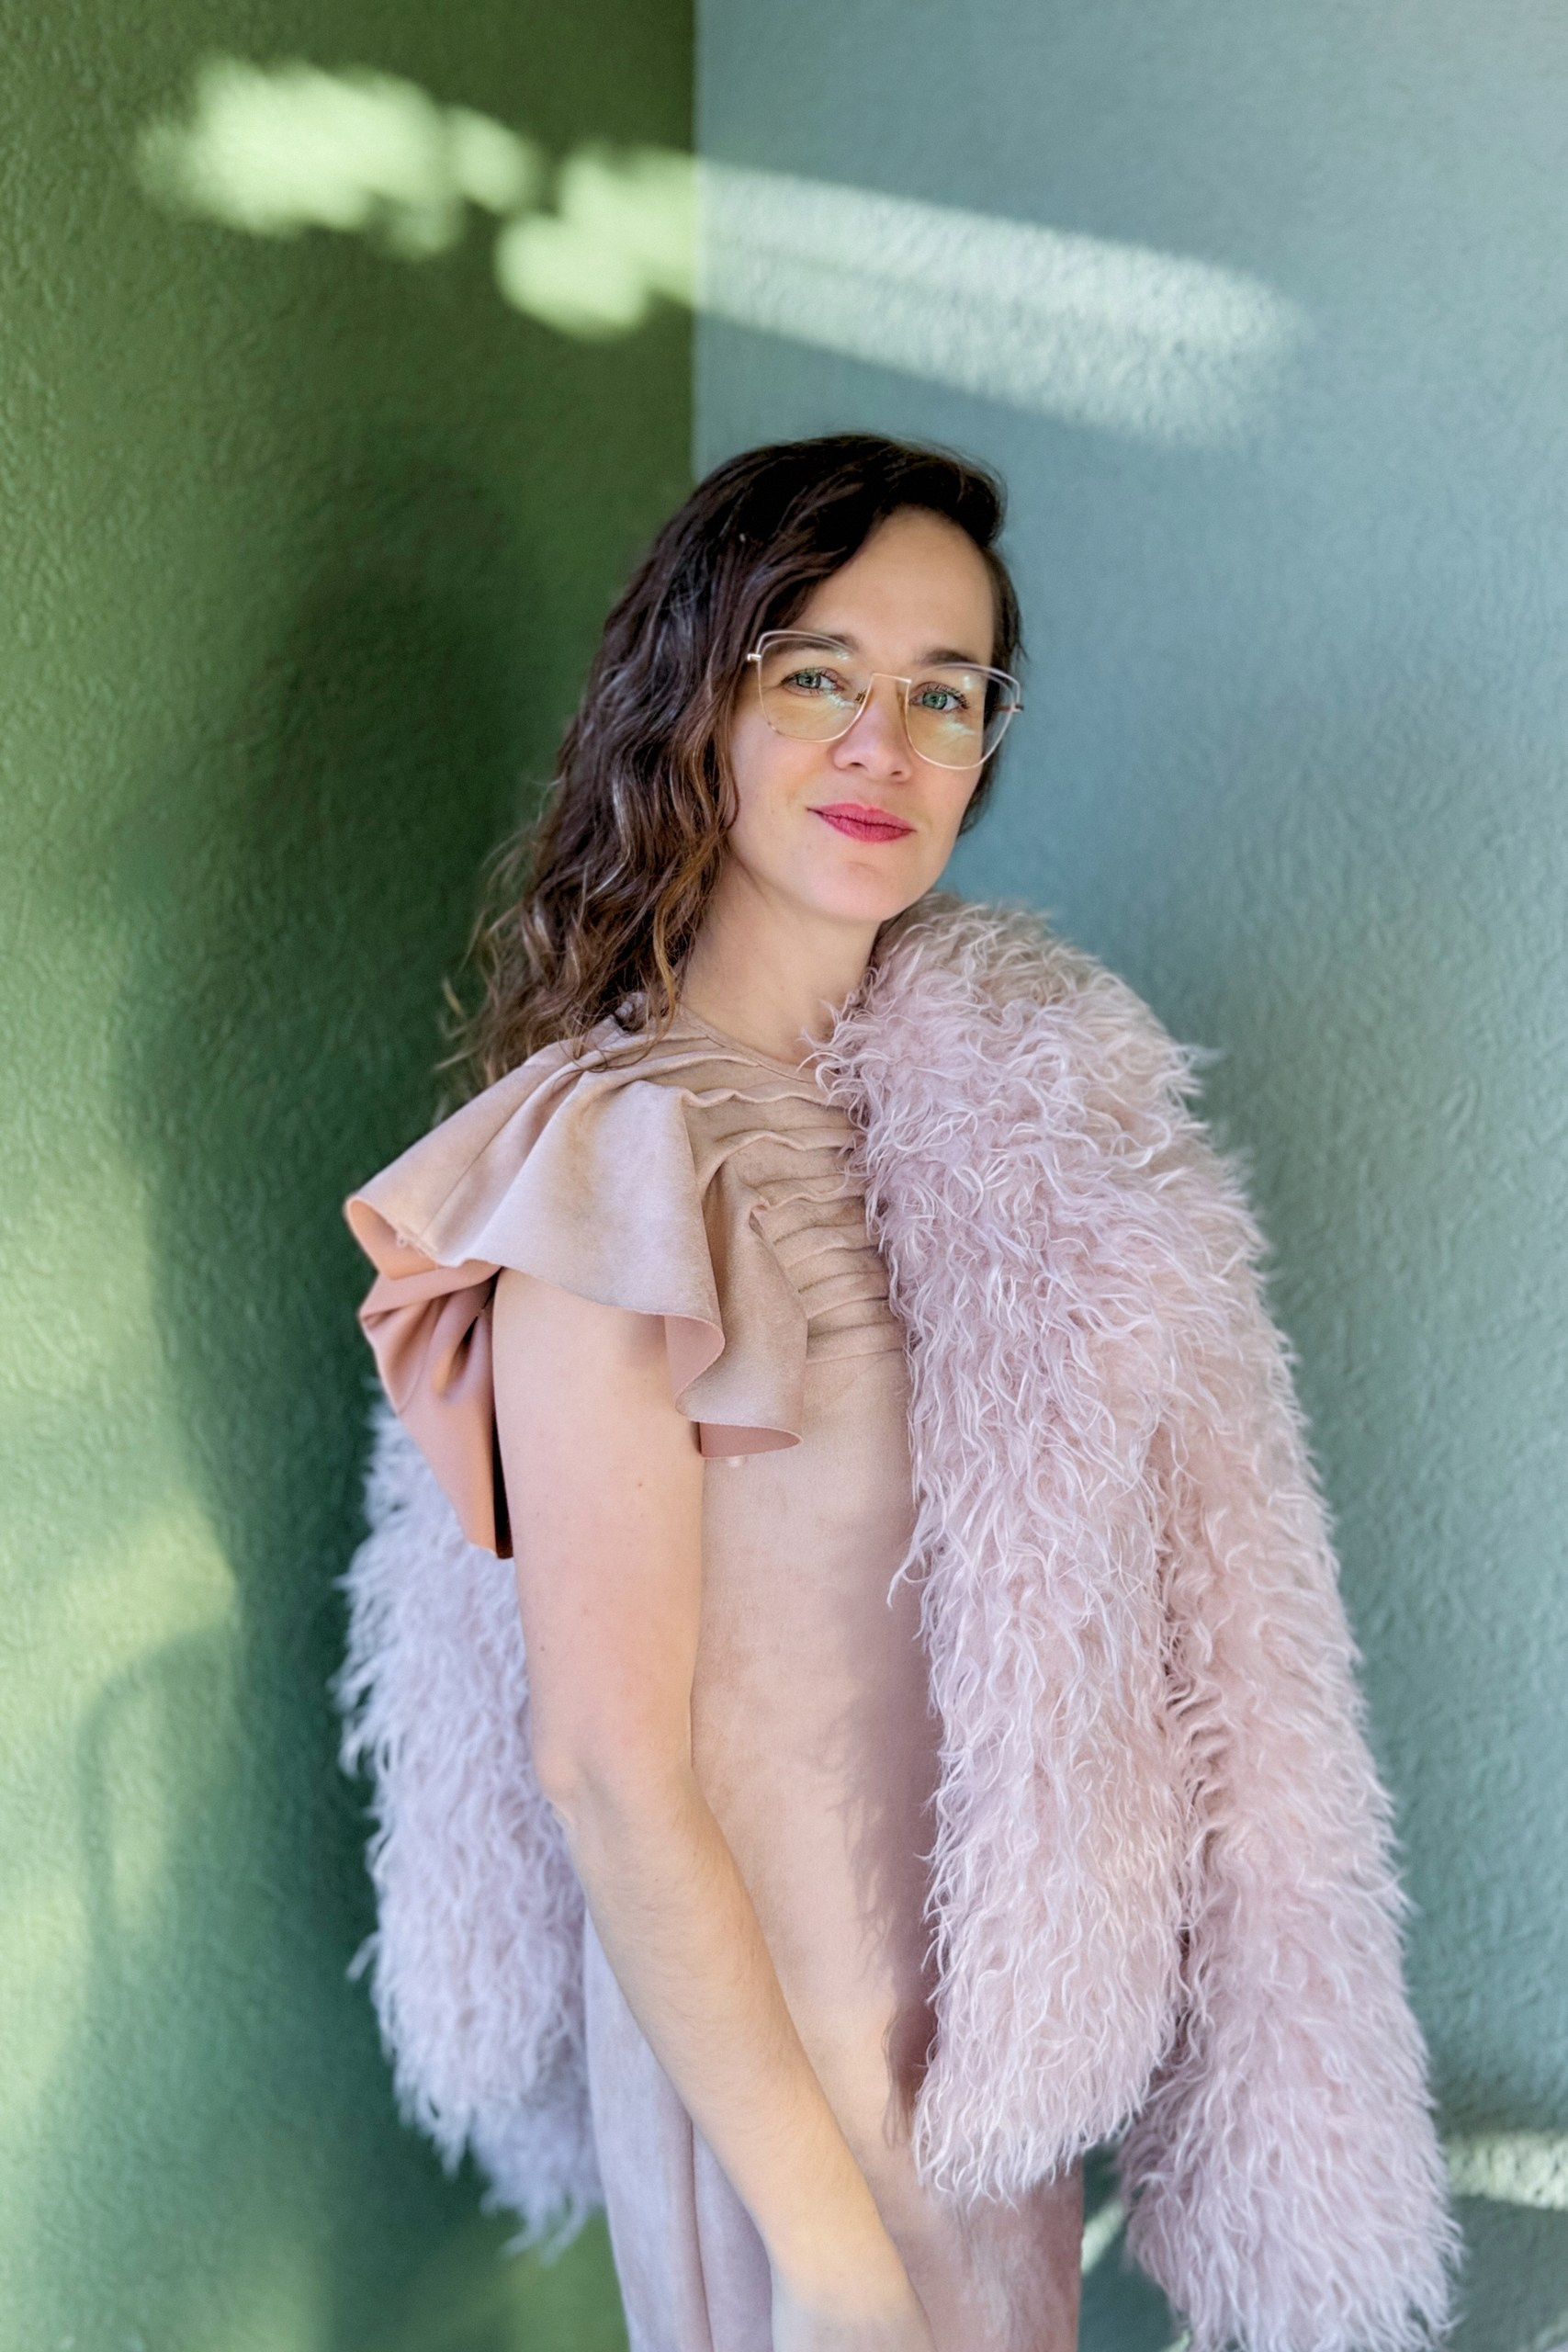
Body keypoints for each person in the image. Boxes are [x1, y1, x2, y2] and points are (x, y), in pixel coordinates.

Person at [340, 435, 1454, 2352]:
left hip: (979, 2054)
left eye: (944, 694)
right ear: (696, 705)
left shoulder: (991, 1138)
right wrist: (833, 2258)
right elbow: (607, 1769)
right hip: (783, 2093)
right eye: (817, 677)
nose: (884, 744)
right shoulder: (613, 1163)